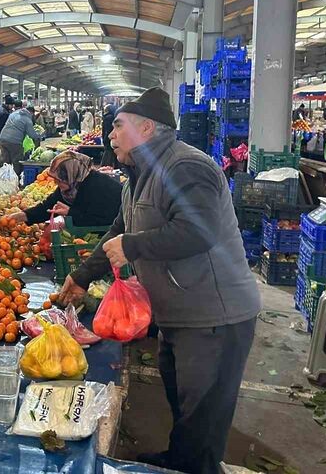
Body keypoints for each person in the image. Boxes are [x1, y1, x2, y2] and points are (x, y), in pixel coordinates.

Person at [58, 87, 261, 474]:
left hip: (214, 317)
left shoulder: (187, 168)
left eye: (118, 126)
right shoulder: (136, 178)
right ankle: (178, 460)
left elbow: (198, 231)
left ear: (147, 128)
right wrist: (82, 276)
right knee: (182, 403)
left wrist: (132, 246)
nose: (110, 134)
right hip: (176, 313)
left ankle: (197, 467)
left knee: (203, 417)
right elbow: (118, 230)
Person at [11, 151, 122, 226]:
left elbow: (102, 221)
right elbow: (48, 206)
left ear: (71, 174)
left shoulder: (99, 187)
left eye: (59, 180)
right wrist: (24, 216)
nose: (55, 183)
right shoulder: (72, 186)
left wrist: (70, 213)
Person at [0, 103, 41, 178]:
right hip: (15, 141)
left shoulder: (14, 114)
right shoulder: (27, 120)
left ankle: (2, 176)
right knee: (17, 160)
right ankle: (16, 178)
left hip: (3, 138)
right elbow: (32, 135)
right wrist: (40, 134)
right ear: (31, 113)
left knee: (5, 159)